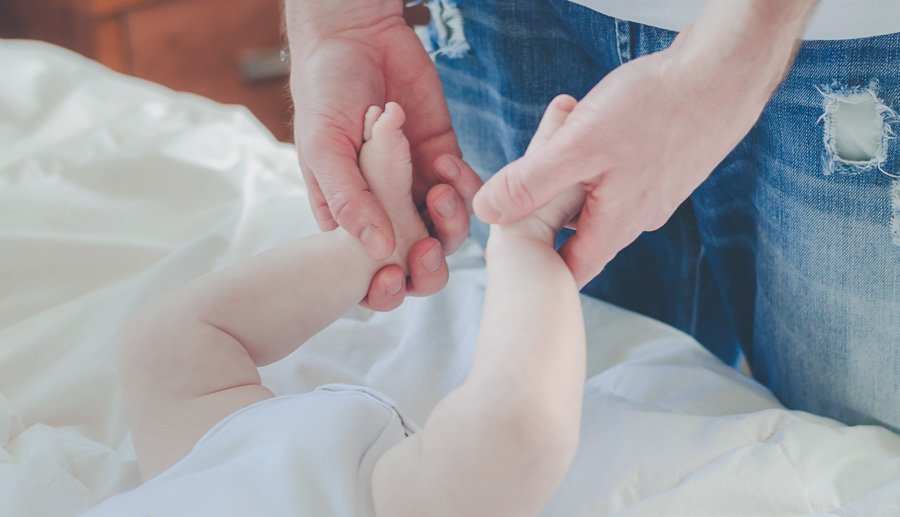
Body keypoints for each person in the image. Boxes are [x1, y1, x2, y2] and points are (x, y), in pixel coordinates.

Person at [0, 98, 591, 517]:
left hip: (193, 478)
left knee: (160, 346)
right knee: (513, 436)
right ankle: (524, 239)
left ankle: (370, 245)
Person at [284, 0, 900, 432]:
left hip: (845, 42)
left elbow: (512, 438)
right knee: (610, 400)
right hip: (501, 19)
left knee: (859, 470)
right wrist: (339, 19)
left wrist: (738, 50)